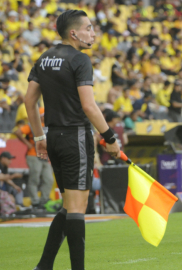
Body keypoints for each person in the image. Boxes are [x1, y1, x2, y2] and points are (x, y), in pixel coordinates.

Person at [24, 10, 120, 270]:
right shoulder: (80, 59)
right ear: (74, 33)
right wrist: (110, 137)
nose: (93, 33)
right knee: (78, 207)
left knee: (69, 205)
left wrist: (39, 137)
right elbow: (89, 106)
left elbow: (29, 101)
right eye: (89, 28)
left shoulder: (44, 58)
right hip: (76, 136)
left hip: (53, 136)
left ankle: (44, 265)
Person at [14, 107, 54, 209]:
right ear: (41, 116)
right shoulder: (33, 125)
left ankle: (44, 200)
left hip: (45, 156)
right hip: (33, 155)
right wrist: (27, 144)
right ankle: (35, 201)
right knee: (34, 179)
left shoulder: (50, 126)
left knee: (49, 179)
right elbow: (18, 132)